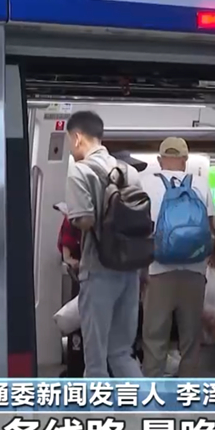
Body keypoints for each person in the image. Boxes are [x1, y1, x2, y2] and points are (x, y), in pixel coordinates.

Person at [64, 110, 146, 378]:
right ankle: (146, 404)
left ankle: (98, 407)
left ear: (77, 137)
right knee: (121, 353)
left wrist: (72, 213)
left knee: (95, 361)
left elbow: (85, 220)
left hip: (98, 270)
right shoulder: (129, 171)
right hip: (130, 269)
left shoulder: (80, 171)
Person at [139, 137, 215, 377]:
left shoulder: (145, 183)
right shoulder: (201, 184)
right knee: (191, 340)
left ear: (159, 159)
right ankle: (187, 393)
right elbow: (212, 228)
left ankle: (153, 391)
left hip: (158, 271)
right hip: (195, 272)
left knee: (155, 338)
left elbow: (140, 230)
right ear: (185, 159)